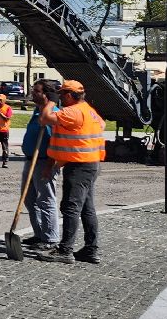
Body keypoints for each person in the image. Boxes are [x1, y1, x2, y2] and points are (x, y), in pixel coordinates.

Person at [34, 79, 106, 266]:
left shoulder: (73, 112)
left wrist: (49, 102)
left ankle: (66, 250)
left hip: (80, 166)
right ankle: (91, 250)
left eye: (61, 95)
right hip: (90, 163)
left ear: (68, 95)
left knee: (71, 207)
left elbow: (44, 119)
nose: (60, 99)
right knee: (87, 208)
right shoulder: (89, 110)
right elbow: (102, 125)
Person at [20, 80, 61, 251]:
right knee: (29, 200)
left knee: (46, 200)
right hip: (30, 161)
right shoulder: (38, 111)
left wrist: (49, 165)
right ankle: (39, 234)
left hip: (44, 162)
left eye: (36, 91)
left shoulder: (52, 115)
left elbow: (56, 143)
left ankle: (51, 238)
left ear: (46, 94)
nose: (32, 93)